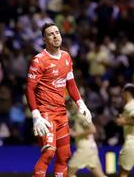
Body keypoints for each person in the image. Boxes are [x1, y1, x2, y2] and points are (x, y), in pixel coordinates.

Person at [25, 22, 92, 177]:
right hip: (45, 114)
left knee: (64, 156)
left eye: (57, 32)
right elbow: (29, 88)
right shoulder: (39, 60)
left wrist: (81, 104)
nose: (55, 36)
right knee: (49, 153)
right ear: (44, 39)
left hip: (61, 113)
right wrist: (36, 116)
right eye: (50, 34)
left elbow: (71, 83)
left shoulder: (66, 57)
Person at [68, 111, 107, 177]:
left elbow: (93, 129)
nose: (70, 103)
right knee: (100, 175)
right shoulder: (78, 115)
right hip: (91, 148)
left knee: (69, 173)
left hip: (84, 149)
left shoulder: (81, 116)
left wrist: (76, 134)